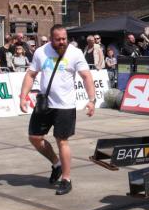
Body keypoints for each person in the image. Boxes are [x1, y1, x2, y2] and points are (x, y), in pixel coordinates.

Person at [20, 25, 97, 195]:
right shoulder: (41, 52)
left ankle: (66, 179)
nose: (62, 42)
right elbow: (30, 75)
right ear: (51, 38)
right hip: (45, 104)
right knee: (34, 137)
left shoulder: (75, 54)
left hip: (65, 105)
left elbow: (86, 76)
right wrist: (23, 96)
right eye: (58, 39)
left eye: (64, 38)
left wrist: (91, 100)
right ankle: (57, 164)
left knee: (61, 140)